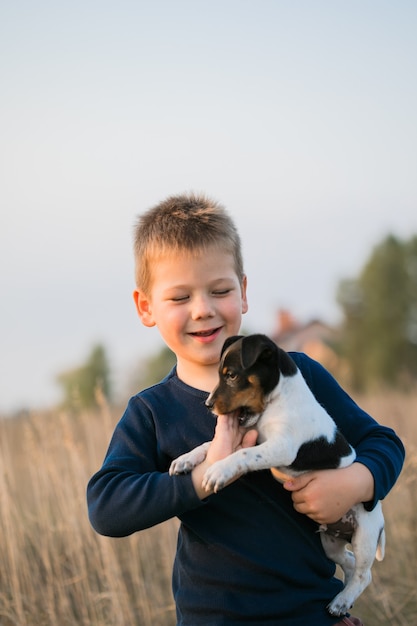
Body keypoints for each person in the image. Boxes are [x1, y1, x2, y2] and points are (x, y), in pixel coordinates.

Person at [87, 193, 404, 626]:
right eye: (180, 298)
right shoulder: (152, 411)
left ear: (244, 291)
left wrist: (355, 483)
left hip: (312, 614)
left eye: (220, 290)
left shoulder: (298, 375)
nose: (203, 309)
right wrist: (205, 475)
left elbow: (383, 442)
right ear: (146, 307)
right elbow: (107, 508)